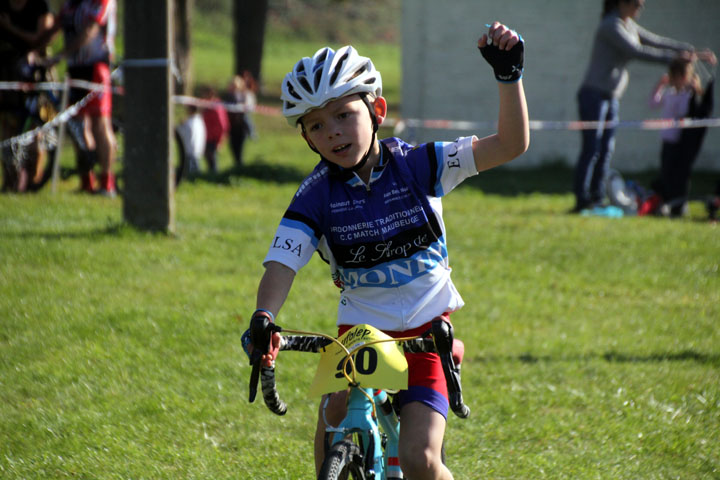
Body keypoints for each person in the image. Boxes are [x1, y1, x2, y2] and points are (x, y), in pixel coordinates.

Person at [244, 22, 528, 479]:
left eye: (342, 115)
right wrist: (264, 316)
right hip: (359, 333)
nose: (332, 133)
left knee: (420, 459)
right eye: (316, 124)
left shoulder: (420, 164)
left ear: (376, 109)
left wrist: (508, 77)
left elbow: (510, 145)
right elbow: (282, 262)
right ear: (307, 139)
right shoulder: (315, 194)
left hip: (426, 332)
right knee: (329, 433)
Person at [571, 0, 704, 213]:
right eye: (637, 3)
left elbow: (656, 41)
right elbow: (637, 51)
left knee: (605, 150)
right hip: (593, 95)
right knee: (592, 149)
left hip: (611, 96)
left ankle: (596, 197)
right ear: (621, 3)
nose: (640, 8)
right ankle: (582, 199)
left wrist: (688, 50)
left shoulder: (628, 25)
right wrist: (676, 60)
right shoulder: (610, 25)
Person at [50, 0, 117, 196]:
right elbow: (55, 27)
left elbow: (90, 30)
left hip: (96, 67)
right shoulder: (71, 3)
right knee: (78, 125)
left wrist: (61, 54)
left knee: (100, 124)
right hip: (75, 69)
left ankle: (107, 183)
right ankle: (87, 182)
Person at [639, 54, 716, 217]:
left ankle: (679, 204)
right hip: (667, 141)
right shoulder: (669, 93)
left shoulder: (687, 96)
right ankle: (665, 201)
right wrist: (660, 85)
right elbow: (653, 103)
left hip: (679, 143)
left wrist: (691, 90)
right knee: (666, 172)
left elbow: (685, 113)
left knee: (679, 174)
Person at [0, 0, 56, 192]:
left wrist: (11, 28)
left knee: (36, 130)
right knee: (7, 127)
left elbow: (45, 37)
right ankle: (10, 181)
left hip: (37, 75)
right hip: (8, 75)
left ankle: (33, 181)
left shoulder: (39, 5)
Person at [222, 74, 255, 168]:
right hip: (231, 127)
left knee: (239, 149)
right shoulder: (227, 97)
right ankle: (237, 166)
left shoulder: (244, 95)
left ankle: (240, 167)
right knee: (233, 148)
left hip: (241, 127)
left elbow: (249, 108)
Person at [199, 85, 229, 174]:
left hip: (212, 138)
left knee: (212, 160)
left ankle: (214, 177)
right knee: (208, 159)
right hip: (205, 136)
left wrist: (219, 140)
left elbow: (222, 125)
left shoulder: (216, 107)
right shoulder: (205, 105)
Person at [175, 103, 206, 179]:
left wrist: (180, 125)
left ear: (191, 110)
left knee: (190, 173)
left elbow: (181, 133)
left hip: (190, 151)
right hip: (197, 150)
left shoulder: (189, 123)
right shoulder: (199, 121)